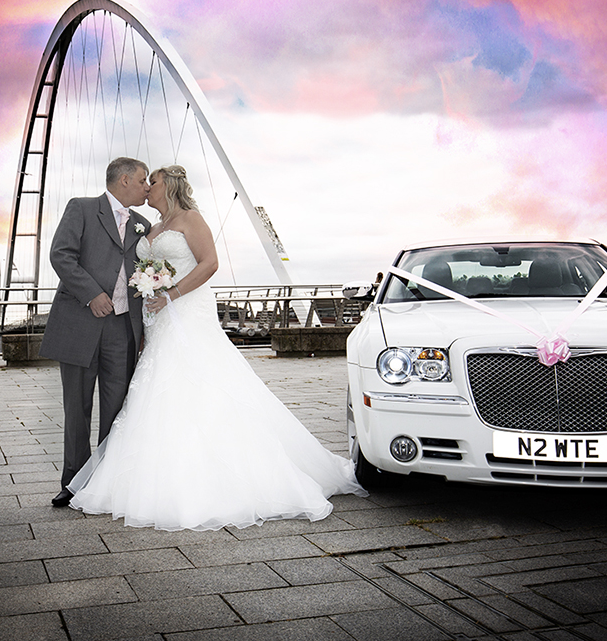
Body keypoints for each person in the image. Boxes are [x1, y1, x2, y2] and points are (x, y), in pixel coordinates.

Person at [66, 165, 366, 530]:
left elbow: (210, 263)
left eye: (153, 181)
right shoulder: (149, 226)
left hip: (187, 311)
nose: (147, 188)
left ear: (169, 185)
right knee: (156, 389)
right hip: (156, 319)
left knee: (198, 380)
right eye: (143, 181)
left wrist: (171, 294)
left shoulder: (192, 219)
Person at [40, 157, 152, 507]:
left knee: (117, 411)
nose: (147, 187)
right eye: (143, 181)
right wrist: (92, 295)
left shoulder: (143, 224)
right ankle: (73, 484)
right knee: (77, 408)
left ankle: (105, 483)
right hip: (79, 324)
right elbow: (61, 256)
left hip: (123, 329)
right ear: (123, 181)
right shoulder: (82, 209)